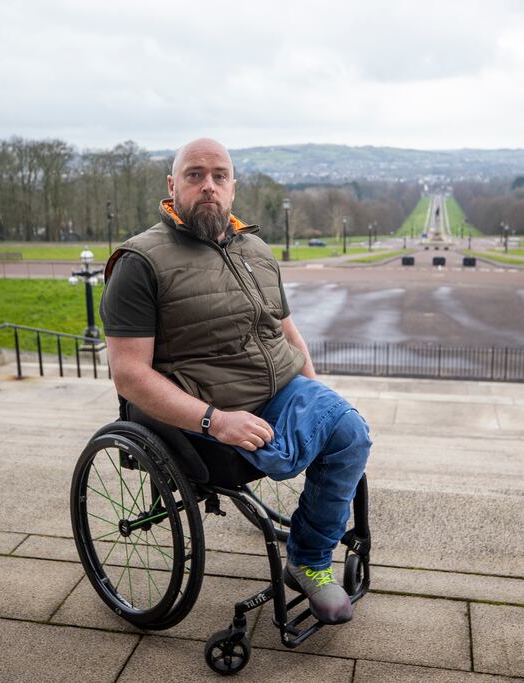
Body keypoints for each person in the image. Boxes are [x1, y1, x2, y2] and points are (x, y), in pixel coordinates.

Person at [99, 137, 371, 624]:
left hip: (278, 389)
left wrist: (317, 393)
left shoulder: (256, 248)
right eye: (195, 175)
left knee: (350, 432)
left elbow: (286, 332)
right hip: (207, 415)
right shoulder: (140, 263)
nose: (209, 186)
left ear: (233, 186)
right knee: (284, 452)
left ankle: (308, 561)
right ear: (172, 185)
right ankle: (309, 535)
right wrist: (215, 421)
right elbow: (129, 374)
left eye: (219, 176)